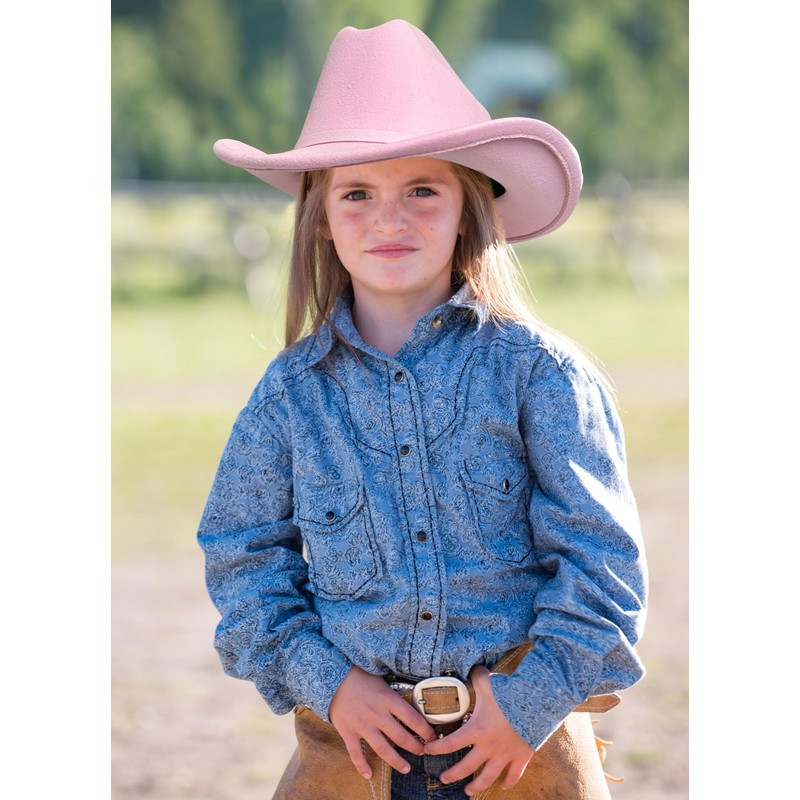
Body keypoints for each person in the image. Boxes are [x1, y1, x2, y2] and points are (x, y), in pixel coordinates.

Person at [198, 18, 648, 800]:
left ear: (468, 207)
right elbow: (242, 560)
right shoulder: (289, 398)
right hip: (352, 760)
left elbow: (603, 568)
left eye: (422, 190)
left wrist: (528, 703)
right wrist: (331, 683)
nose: (389, 217)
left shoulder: (542, 377)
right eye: (357, 193)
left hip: (526, 758)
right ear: (321, 215)